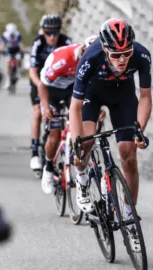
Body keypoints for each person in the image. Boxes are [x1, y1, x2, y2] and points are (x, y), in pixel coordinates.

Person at [70, 18, 151, 252]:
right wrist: (77, 140)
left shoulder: (142, 56)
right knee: (86, 142)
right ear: (105, 49)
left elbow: (145, 96)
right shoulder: (90, 58)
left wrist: (139, 128)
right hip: (91, 96)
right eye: (115, 55)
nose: (122, 60)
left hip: (122, 97)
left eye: (126, 53)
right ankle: (83, 178)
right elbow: (75, 107)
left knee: (129, 154)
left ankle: (129, 218)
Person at [39, 35, 99, 194]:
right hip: (51, 91)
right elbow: (42, 85)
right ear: (82, 52)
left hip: (71, 91)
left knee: (85, 123)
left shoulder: (93, 62)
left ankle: (81, 160)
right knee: (54, 133)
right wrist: (46, 108)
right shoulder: (64, 59)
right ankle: (48, 168)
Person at [29, 14, 72, 173]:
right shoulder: (38, 43)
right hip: (40, 81)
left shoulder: (66, 42)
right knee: (37, 112)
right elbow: (32, 71)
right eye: (48, 33)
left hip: (61, 83)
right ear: (43, 31)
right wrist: (40, 85)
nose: (52, 37)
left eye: (55, 32)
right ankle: (34, 152)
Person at [1, 23, 25, 89]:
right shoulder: (5, 35)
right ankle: (8, 80)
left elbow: (21, 45)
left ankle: (19, 70)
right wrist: (2, 51)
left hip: (17, 50)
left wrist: (22, 52)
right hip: (9, 51)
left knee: (19, 58)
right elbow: (2, 45)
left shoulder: (18, 35)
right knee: (8, 63)